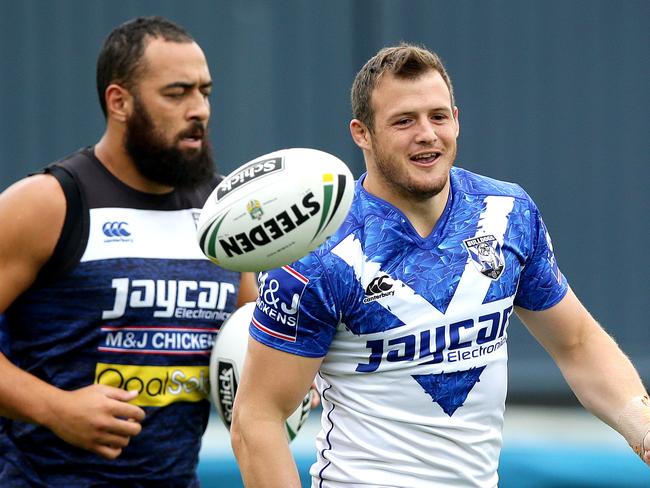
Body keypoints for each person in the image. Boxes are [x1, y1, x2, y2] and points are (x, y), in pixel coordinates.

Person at [230, 43, 650, 487]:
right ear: (362, 133)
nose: (427, 133)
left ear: (456, 119)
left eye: (438, 116)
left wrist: (643, 428)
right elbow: (257, 420)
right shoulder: (317, 254)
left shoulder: (507, 213)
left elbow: (577, 344)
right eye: (404, 121)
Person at [0, 16, 258, 486]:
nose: (198, 109)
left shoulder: (225, 213)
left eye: (205, 92)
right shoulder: (48, 203)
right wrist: (55, 408)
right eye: (177, 93)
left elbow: (252, 339)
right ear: (119, 102)